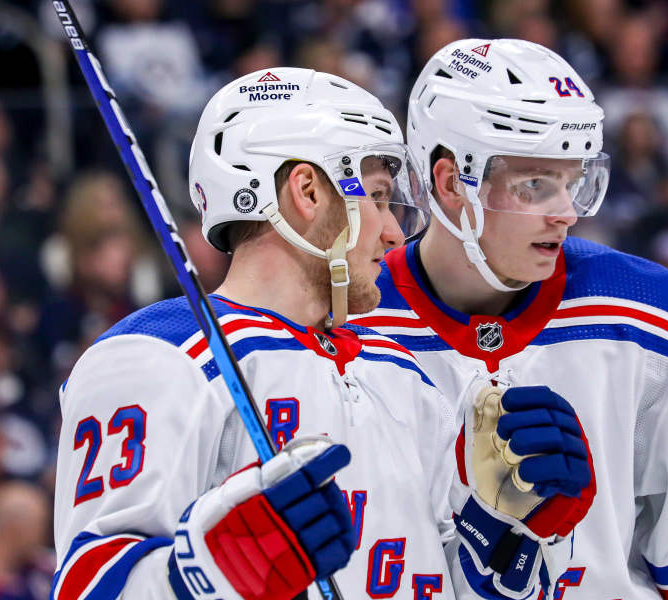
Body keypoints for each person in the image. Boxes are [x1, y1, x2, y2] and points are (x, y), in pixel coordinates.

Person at [50, 67, 594, 600]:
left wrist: (508, 535)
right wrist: (209, 573)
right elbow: (86, 587)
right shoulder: (161, 356)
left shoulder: (404, 374)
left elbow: (459, 582)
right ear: (307, 191)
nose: (391, 231)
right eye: (378, 197)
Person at [350, 39, 668, 598]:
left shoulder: (640, 308)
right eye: (534, 185)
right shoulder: (352, 321)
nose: (566, 212)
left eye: (572, 182)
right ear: (451, 182)